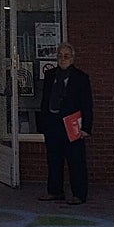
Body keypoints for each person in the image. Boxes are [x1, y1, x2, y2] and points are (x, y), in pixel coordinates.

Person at [38, 42, 93, 204]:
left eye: (66, 56)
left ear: (72, 58)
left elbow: (87, 104)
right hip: (53, 123)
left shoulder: (80, 78)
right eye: (60, 56)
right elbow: (45, 100)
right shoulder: (50, 75)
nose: (63, 59)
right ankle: (55, 191)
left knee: (76, 160)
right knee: (53, 159)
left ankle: (79, 194)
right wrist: (43, 123)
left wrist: (86, 128)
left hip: (72, 123)